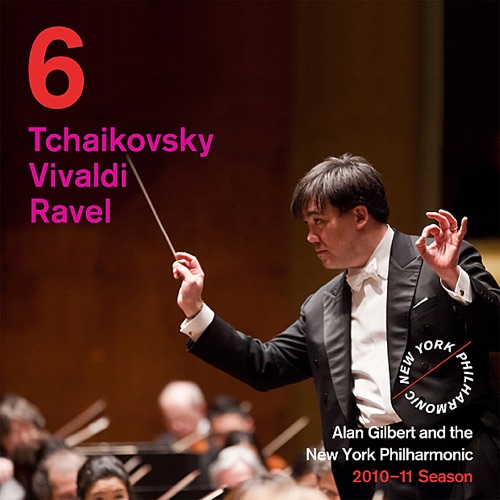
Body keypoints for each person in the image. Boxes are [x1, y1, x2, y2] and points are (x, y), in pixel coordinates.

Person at [172, 154, 499, 499]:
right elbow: (264, 365)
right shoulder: (320, 307)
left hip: (456, 466)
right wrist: (196, 311)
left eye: (319, 222)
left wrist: (453, 278)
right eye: (307, 225)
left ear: (359, 216)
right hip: (374, 474)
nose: (310, 237)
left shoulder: (442, 262)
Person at [155, 380, 210, 453]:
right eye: (169, 420)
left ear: (201, 409)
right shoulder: (162, 444)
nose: (176, 427)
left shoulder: (219, 439)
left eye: (183, 418)